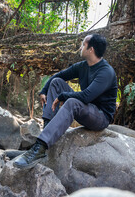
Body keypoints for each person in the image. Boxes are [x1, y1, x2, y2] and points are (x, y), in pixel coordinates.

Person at [13, 33, 118, 169]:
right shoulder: (83, 66)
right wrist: (44, 90)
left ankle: (40, 148)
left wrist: (63, 96)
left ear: (91, 49)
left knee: (72, 102)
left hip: (100, 116)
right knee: (56, 82)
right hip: (86, 108)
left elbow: (86, 96)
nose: (80, 47)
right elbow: (59, 76)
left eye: (83, 45)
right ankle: (45, 137)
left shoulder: (106, 72)